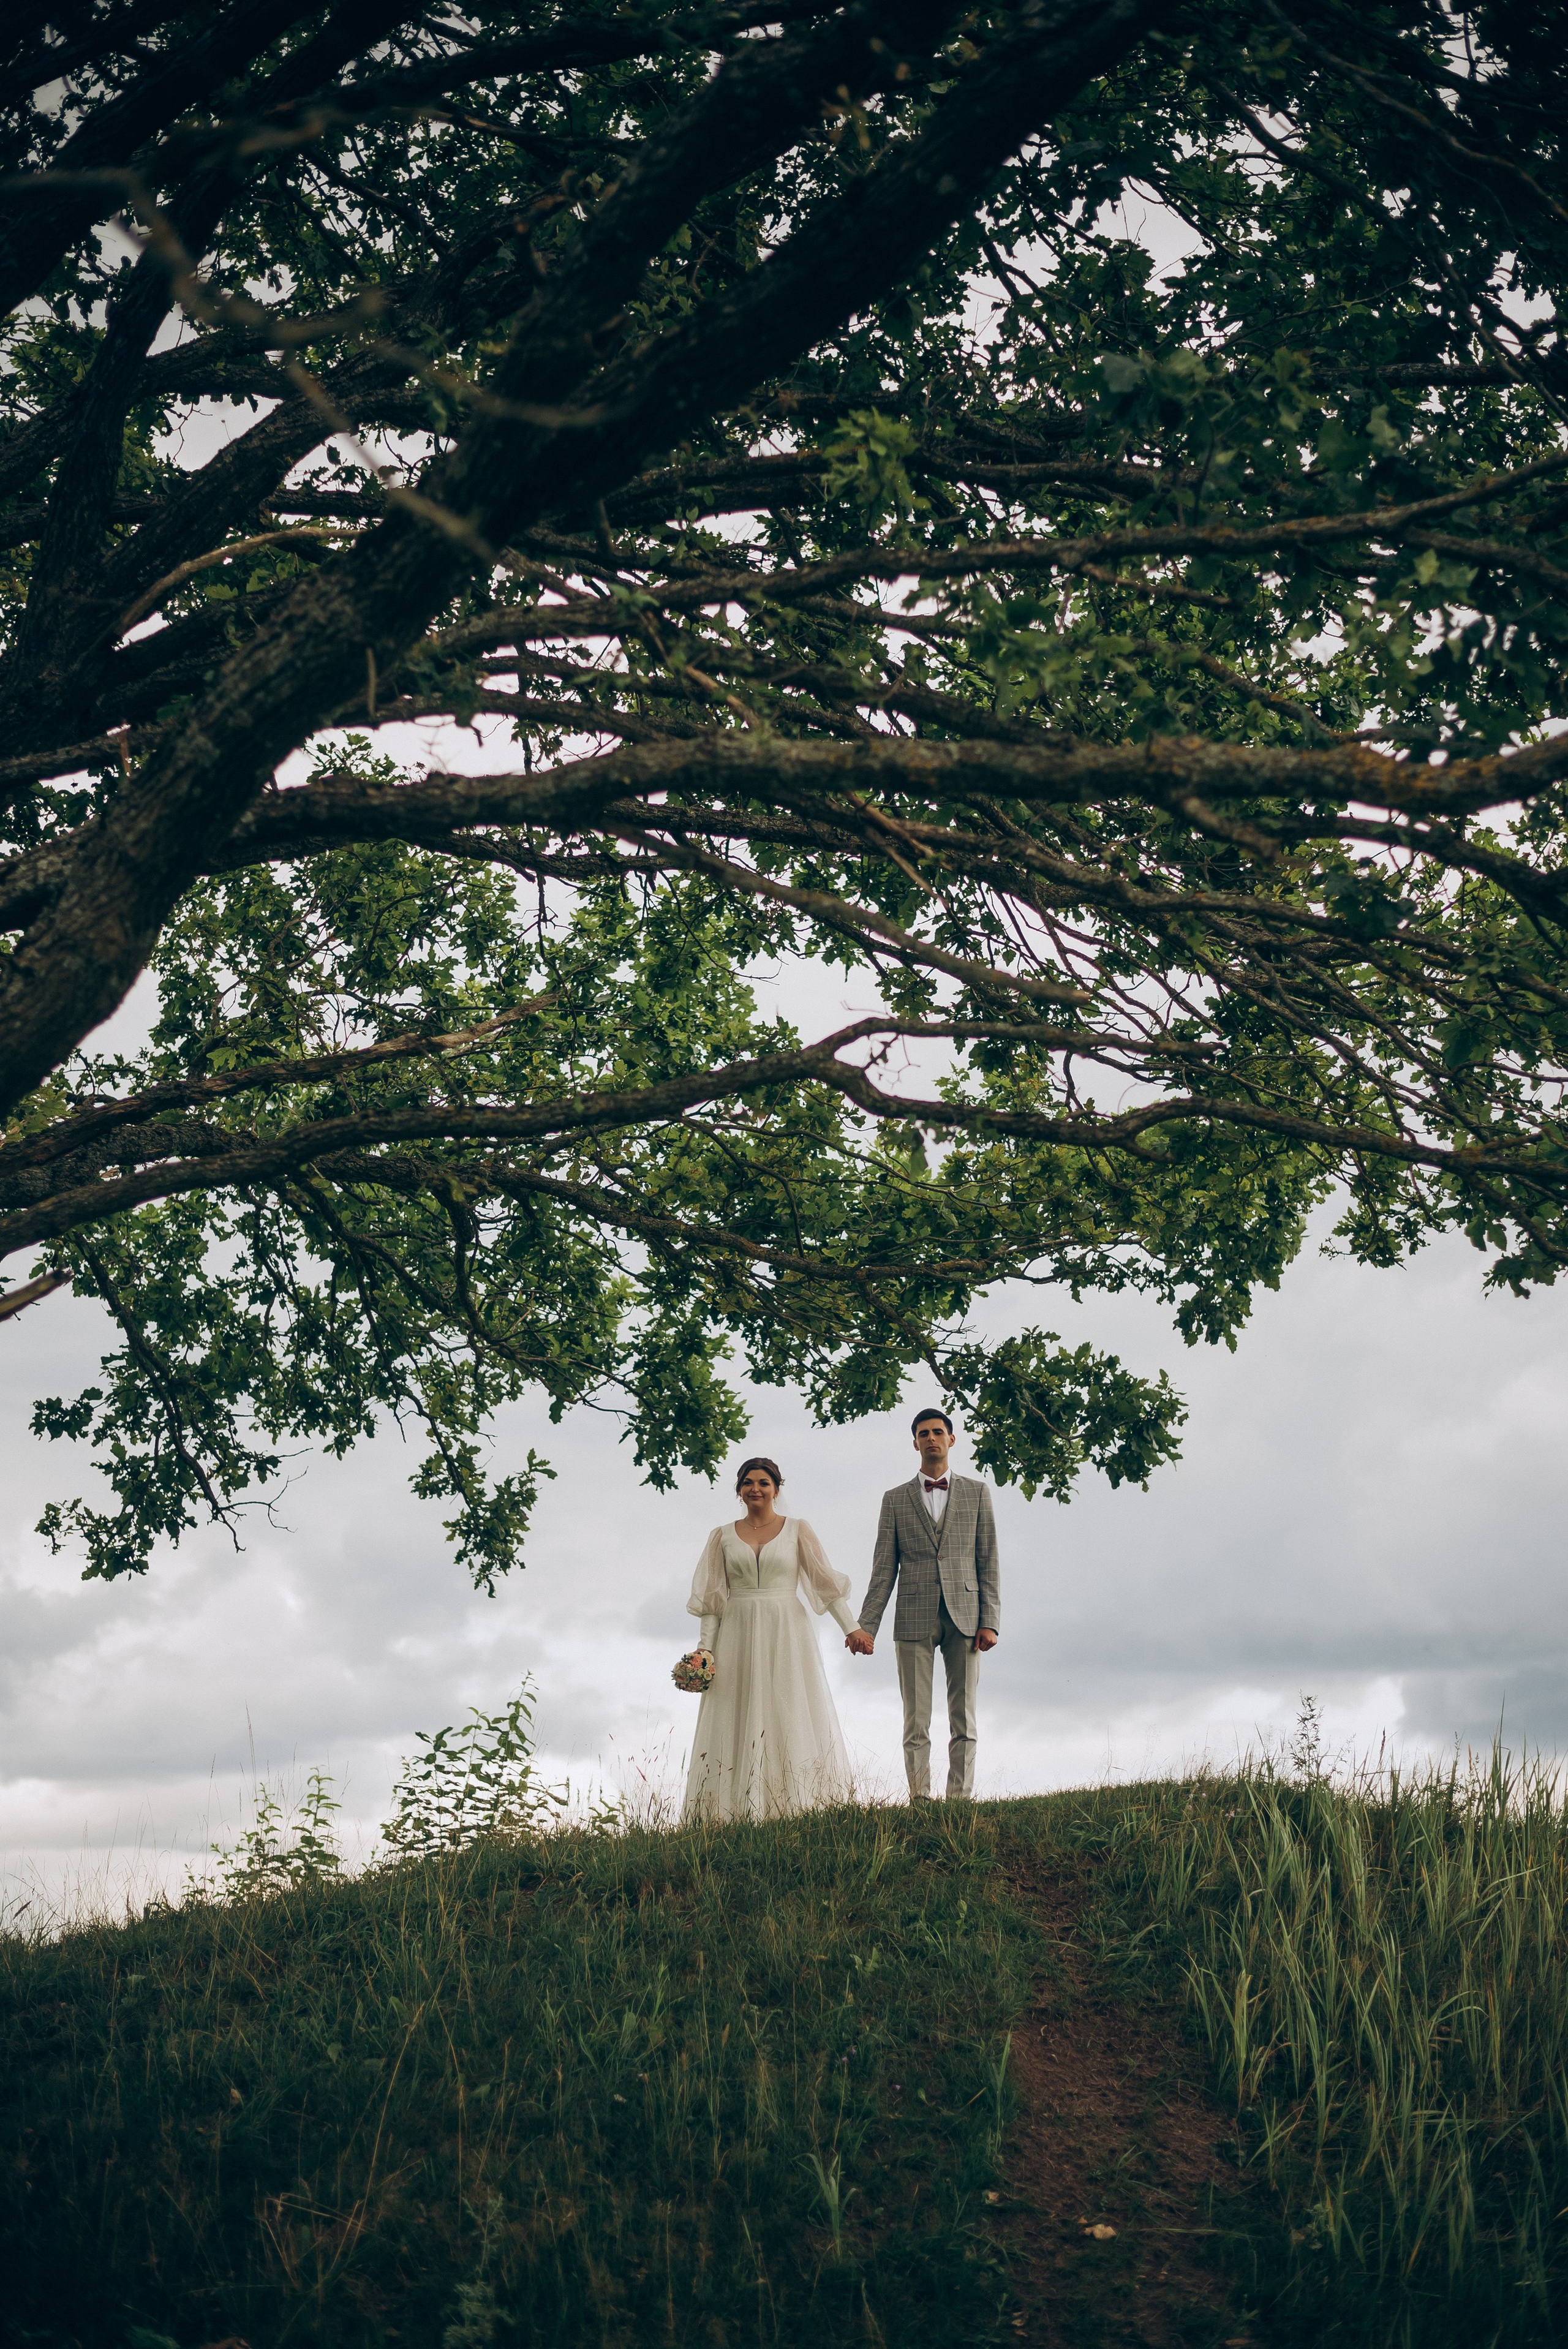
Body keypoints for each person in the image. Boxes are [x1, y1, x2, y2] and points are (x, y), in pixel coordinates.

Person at [680, 1455, 864, 1822]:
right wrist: (705, 1650)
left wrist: (852, 1628)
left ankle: (797, 1807)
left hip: (786, 1630)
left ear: (777, 1489)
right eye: (748, 1482)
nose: (756, 1489)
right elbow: (713, 1601)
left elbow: (824, 1585)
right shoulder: (722, 1536)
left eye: (764, 1482)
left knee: (788, 1705)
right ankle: (728, 1813)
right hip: (737, 1630)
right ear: (739, 1490)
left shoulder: (798, 1529)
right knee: (737, 1708)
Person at [846, 1408, 1000, 1801]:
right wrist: (867, 1625)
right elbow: (883, 1568)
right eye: (923, 1433)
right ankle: (921, 1800)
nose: (931, 1438)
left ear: (951, 1439)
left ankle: (959, 1800)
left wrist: (991, 1621)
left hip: (966, 1616)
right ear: (914, 1442)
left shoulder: (978, 1492)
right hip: (913, 1617)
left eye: (938, 1432)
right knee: (916, 1719)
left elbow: (988, 1560)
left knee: (963, 1716)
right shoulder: (894, 1499)